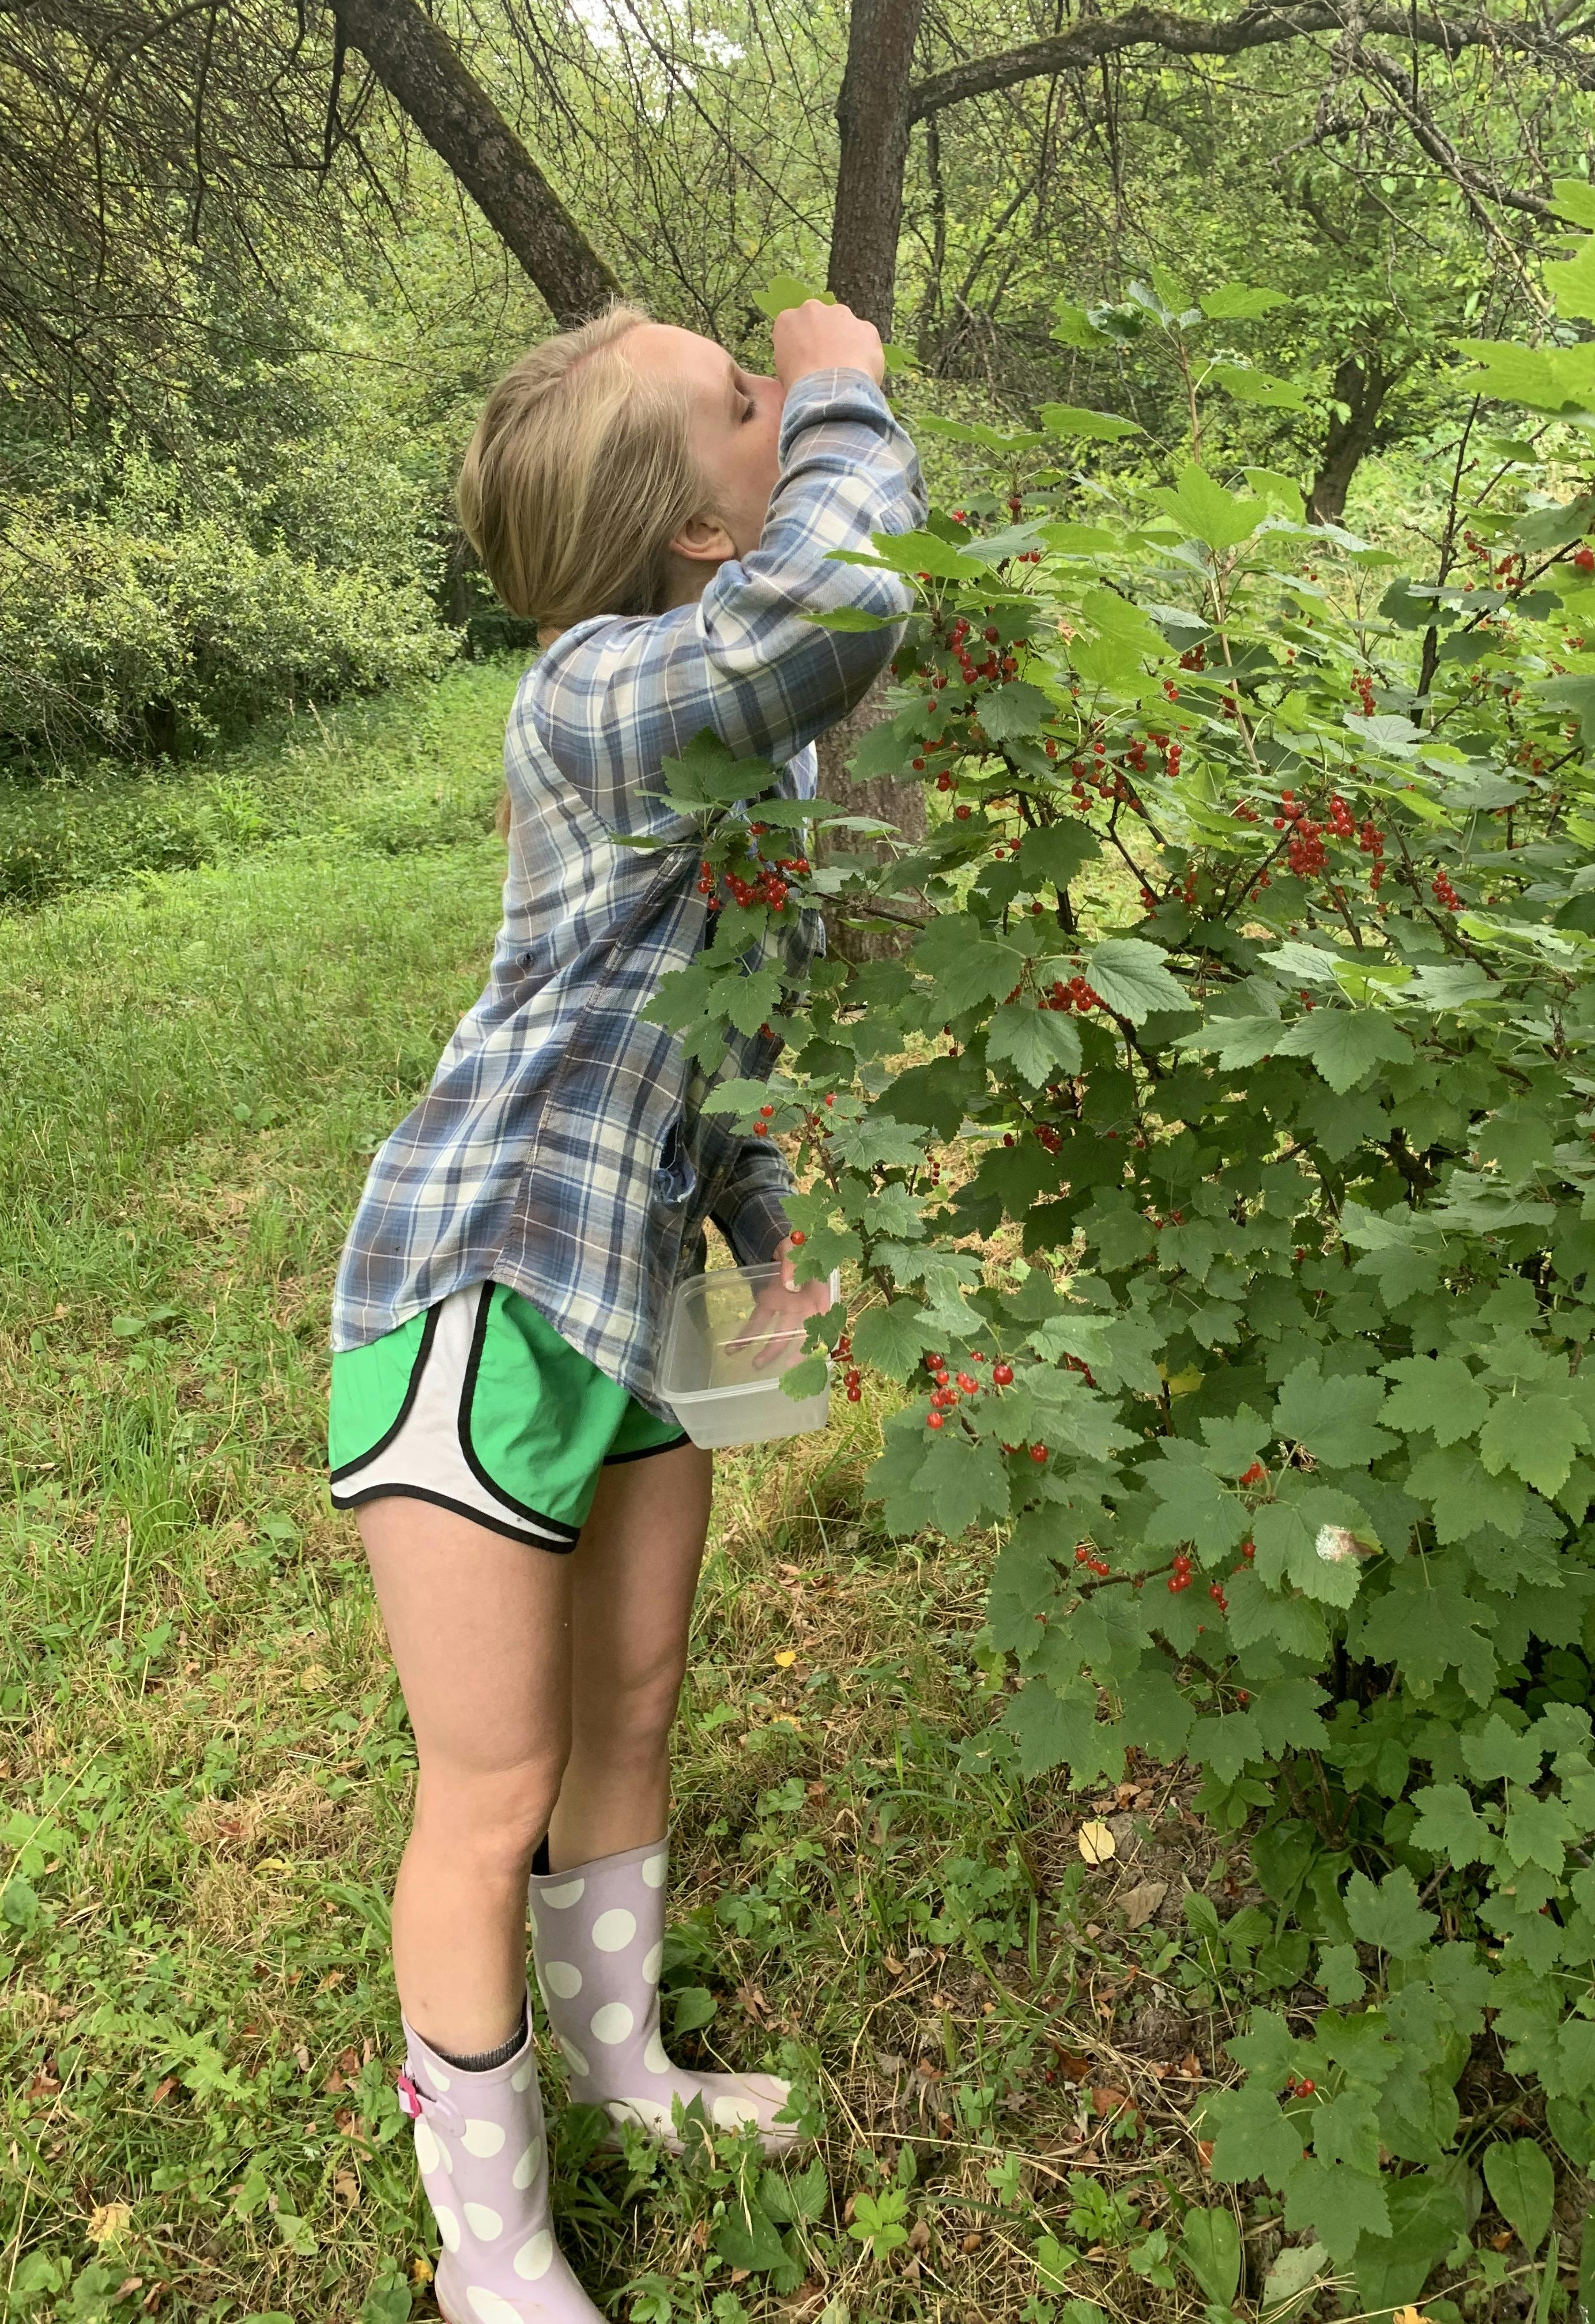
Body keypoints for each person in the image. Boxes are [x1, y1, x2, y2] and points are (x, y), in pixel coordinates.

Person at [325, 296, 924, 2324]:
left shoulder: (709, 769)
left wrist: (764, 1236)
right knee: (487, 1790)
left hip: (624, 1283)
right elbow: (839, 610)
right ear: (692, 531)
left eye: (778, 393)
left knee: (635, 1709)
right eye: (750, 410)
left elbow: (701, 1037)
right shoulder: (589, 699)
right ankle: (488, 2245)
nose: (784, 412)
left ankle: (625, 2067)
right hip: (482, 1289)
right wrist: (845, 377)